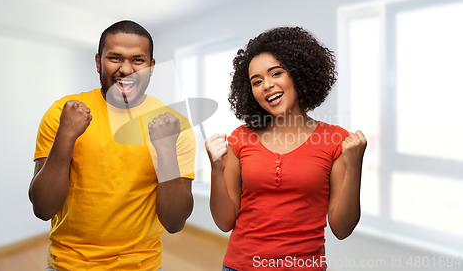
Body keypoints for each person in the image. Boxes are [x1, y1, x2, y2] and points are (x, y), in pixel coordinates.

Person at [29, 20, 195, 271]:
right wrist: (66, 135)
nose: (126, 69)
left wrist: (165, 151)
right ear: (98, 62)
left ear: (151, 67)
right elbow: (43, 208)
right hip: (67, 265)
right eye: (115, 58)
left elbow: (175, 222)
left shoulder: (174, 125)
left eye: (138, 60)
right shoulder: (62, 114)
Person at [206, 27, 367, 271]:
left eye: (276, 73)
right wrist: (216, 169)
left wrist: (355, 168)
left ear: (298, 73)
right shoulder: (241, 138)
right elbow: (224, 222)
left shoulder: (336, 140)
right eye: (257, 81)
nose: (266, 85)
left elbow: (342, 229)